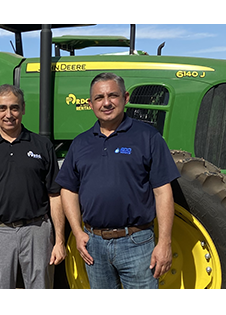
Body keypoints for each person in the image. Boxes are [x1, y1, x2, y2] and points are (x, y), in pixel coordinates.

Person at [56, 72, 180, 289]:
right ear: (90, 103)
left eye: (113, 95)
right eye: (99, 98)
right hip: (94, 245)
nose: (106, 103)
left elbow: (163, 191)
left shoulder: (148, 137)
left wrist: (164, 243)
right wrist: (77, 231)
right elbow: (68, 189)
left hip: (137, 243)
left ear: (126, 97)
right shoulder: (80, 143)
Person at [0, 84, 66, 289]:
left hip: (37, 231)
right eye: (2, 108)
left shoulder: (42, 145)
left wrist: (60, 241)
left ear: (23, 108)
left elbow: (55, 196)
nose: (8, 114)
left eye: (14, 108)